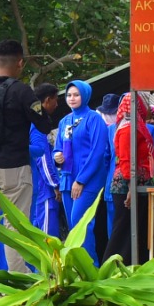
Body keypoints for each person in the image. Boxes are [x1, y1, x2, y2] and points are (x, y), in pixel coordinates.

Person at [0, 40, 60, 270]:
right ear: (20, 63)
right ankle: (18, 281)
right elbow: (43, 125)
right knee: (16, 228)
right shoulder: (22, 92)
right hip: (15, 170)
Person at [108, 93, 154, 264]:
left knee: (137, 228)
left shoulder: (136, 126)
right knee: (124, 230)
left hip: (137, 183)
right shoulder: (128, 128)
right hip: (127, 184)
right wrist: (131, 188)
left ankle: (137, 266)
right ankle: (113, 266)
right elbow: (126, 159)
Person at [69, 94, 118, 257]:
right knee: (89, 222)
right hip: (99, 181)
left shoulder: (96, 121)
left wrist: (81, 179)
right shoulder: (69, 121)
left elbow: (99, 154)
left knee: (88, 221)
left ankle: (94, 261)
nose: (109, 116)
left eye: (112, 112)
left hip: (98, 181)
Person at [53, 80, 93, 226]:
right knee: (72, 225)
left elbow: (97, 153)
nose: (72, 98)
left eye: (76, 95)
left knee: (80, 223)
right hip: (67, 178)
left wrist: (81, 180)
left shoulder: (93, 118)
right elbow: (57, 148)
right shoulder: (65, 121)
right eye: (69, 95)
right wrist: (57, 156)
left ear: (85, 95)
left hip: (86, 179)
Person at [29, 84, 64, 240]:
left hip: (37, 186)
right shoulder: (37, 124)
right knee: (48, 236)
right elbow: (42, 158)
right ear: (48, 100)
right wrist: (55, 184)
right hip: (44, 189)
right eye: (56, 100)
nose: (57, 105)